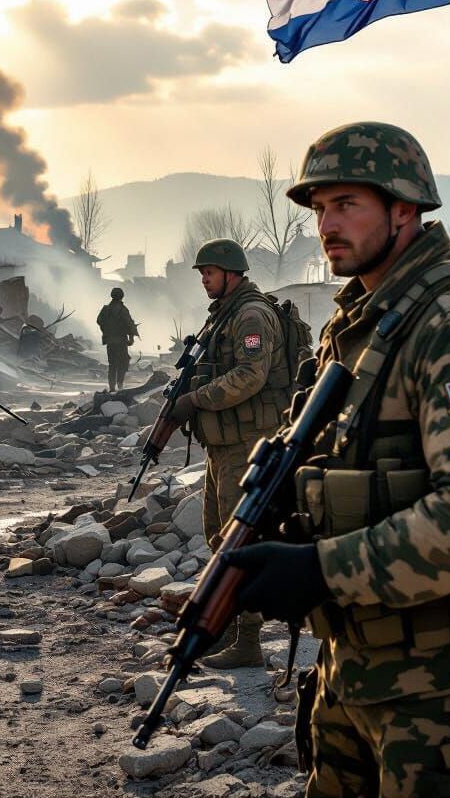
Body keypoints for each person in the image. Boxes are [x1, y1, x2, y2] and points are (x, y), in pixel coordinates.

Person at [224, 122, 450, 797]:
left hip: (449, 681)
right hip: (359, 659)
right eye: (318, 209)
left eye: (346, 203)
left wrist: (321, 569)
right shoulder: (360, 321)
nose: (326, 224)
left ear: (405, 208)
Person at [167, 239, 293, 669]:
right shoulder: (224, 314)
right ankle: (232, 629)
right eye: (202, 273)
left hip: (249, 444)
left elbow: (249, 377)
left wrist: (196, 399)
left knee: (241, 541)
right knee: (218, 536)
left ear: (232, 274)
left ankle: (250, 642)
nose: (203, 279)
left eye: (210, 272)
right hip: (225, 445)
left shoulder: (250, 314)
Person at [96, 287, 138, 392]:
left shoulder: (106, 309)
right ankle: (120, 385)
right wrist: (131, 338)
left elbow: (99, 321)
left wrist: (106, 330)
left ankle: (111, 388)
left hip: (110, 341)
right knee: (122, 363)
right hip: (121, 341)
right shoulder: (123, 309)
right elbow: (129, 324)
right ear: (121, 296)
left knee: (112, 364)